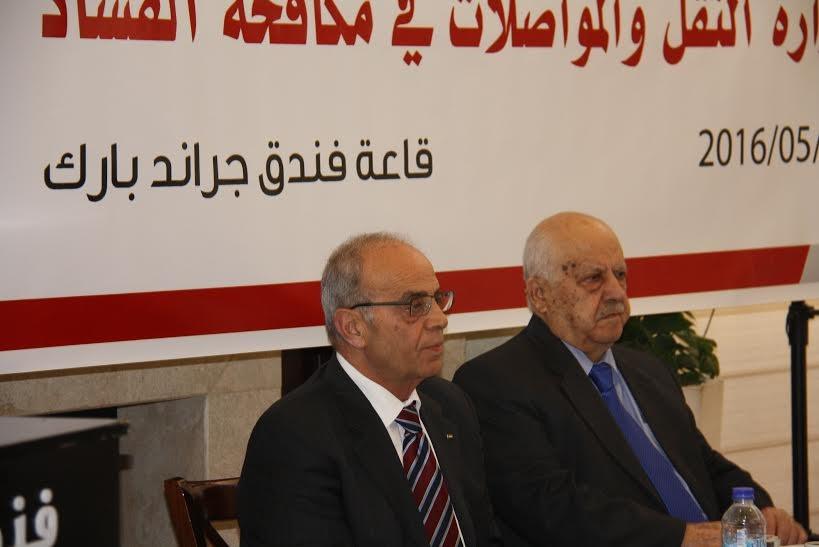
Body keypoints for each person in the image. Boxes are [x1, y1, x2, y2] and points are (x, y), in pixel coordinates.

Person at [453, 212, 807, 547]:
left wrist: (759, 511)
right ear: (539, 295)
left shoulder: (647, 371)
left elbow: (703, 464)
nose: (616, 293)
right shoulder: (496, 382)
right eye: (593, 278)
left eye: (620, 275)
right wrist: (682, 537)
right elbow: (552, 508)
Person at [239, 232, 502, 547]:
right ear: (353, 328)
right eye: (415, 305)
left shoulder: (450, 404)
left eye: (437, 298)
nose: (439, 319)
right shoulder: (294, 436)